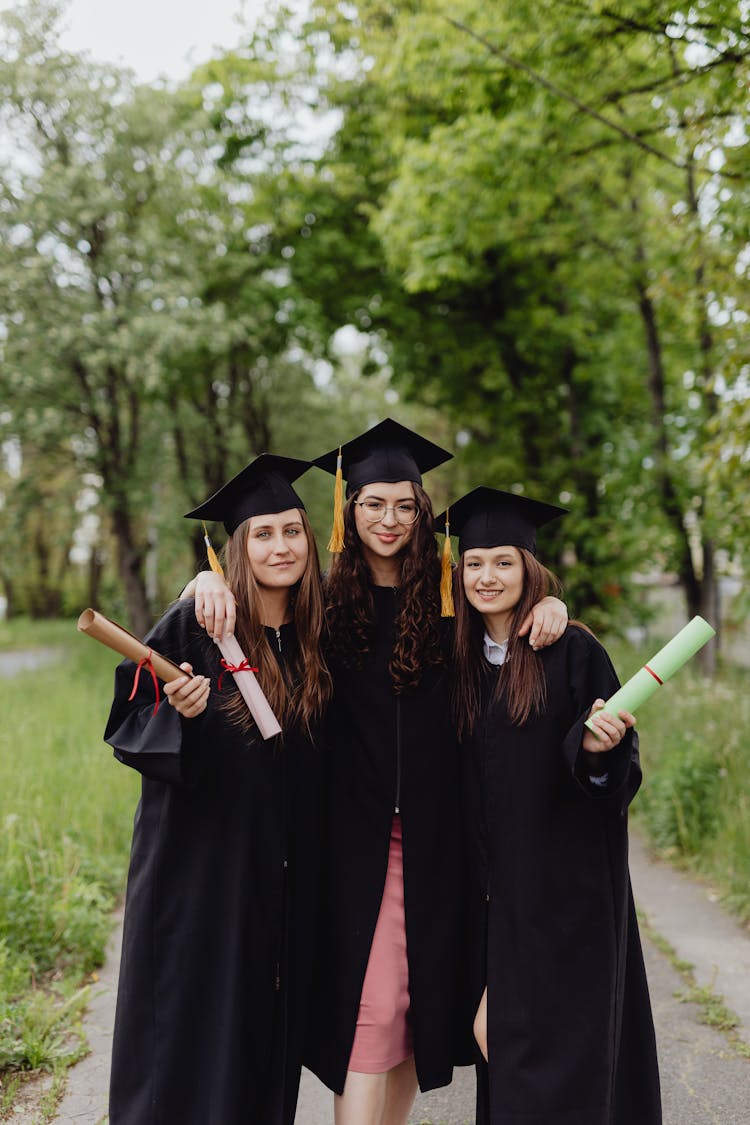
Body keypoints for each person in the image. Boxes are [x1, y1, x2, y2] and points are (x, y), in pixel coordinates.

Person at [188, 420, 569, 1125]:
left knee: (404, 1018)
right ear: (346, 511)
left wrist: (551, 601)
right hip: (348, 843)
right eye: (371, 504)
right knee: (370, 1011)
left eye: (403, 505)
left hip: (437, 843)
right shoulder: (319, 602)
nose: (388, 520)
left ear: (423, 512)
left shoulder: (452, 600)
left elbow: (507, 631)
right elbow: (253, 602)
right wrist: (201, 579)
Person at [103, 454, 331, 1125]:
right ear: (236, 546)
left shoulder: (318, 638)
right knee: (185, 1044)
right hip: (194, 879)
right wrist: (181, 709)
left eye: (292, 530)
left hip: (277, 883)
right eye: (262, 533)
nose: (281, 546)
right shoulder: (193, 625)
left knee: (261, 1044)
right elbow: (126, 722)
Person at [437, 486, 662, 1125]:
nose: (487, 577)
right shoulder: (454, 658)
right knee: (503, 1051)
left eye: (504, 562)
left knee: (566, 1060)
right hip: (490, 899)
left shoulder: (574, 652)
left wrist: (598, 752)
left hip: (566, 895)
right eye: (474, 564)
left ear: (529, 569)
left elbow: (616, 771)